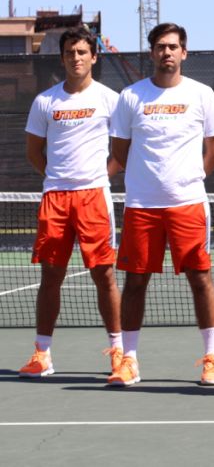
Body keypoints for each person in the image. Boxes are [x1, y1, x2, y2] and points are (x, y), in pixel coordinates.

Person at [107, 22, 214, 387]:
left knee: (200, 278)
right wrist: (151, 181)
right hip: (142, 205)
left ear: (184, 52)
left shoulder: (203, 94)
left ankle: (212, 359)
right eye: (160, 47)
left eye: (173, 47)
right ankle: (129, 360)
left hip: (188, 205)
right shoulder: (130, 97)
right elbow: (120, 152)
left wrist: (187, 181)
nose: (167, 53)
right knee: (135, 281)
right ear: (152, 52)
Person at [19, 27, 123, 378]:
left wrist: (101, 177)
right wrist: (57, 179)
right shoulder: (45, 102)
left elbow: (122, 151)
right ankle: (42, 354)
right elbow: (34, 151)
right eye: (70, 53)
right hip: (55, 199)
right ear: (62, 58)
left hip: (94, 197)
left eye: (82, 52)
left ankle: (119, 352)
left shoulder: (110, 99)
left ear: (93, 56)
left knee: (104, 275)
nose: (76, 58)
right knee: (51, 275)